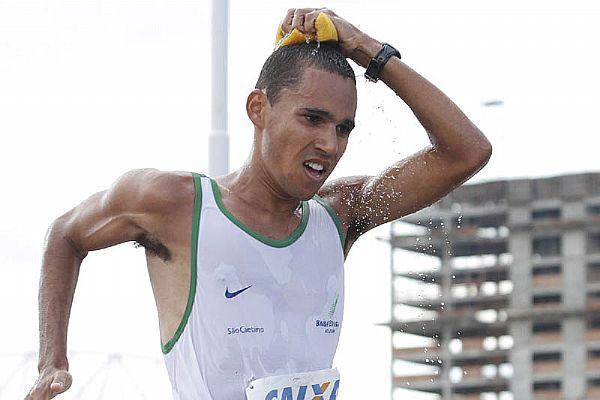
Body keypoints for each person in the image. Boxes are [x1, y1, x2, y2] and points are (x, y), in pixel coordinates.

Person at [26, 7, 492, 400]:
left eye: (344, 128)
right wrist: (52, 361)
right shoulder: (177, 204)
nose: (329, 144)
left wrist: (368, 49)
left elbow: (466, 151)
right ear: (258, 109)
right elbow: (66, 234)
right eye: (312, 119)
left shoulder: (340, 214)